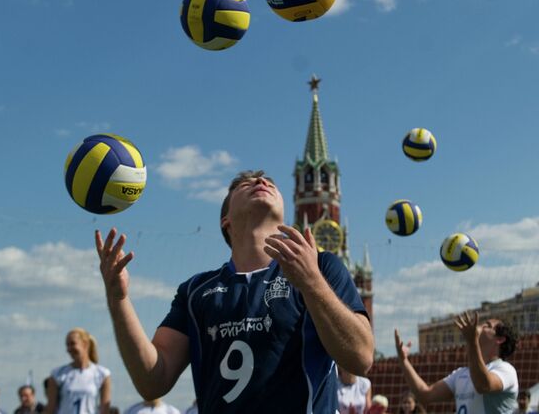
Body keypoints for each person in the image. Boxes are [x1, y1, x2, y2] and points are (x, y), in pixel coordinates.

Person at [95, 170, 373, 413]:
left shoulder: (321, 266)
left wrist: (311, 282)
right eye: (245, 184)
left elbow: (361, 357)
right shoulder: (195, 291)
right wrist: (118, 299)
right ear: (225, 220)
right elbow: (152, 381)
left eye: (268, 182)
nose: (261, 181)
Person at [395, 311, 518, 413]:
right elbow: (425, 395)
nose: (480, 326)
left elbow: (483, 385)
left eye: (487, 325)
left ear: (500, 339)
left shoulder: (506, 370)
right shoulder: (461, 374)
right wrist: (404, 361)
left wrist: (472, 342)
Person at [45, 328, 111, 414]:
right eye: (67, 345)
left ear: (85, 344)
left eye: (72, 344)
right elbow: (51, 408)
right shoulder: (58, 374)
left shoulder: (102, 373)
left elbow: (105, 409)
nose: (69, 349)